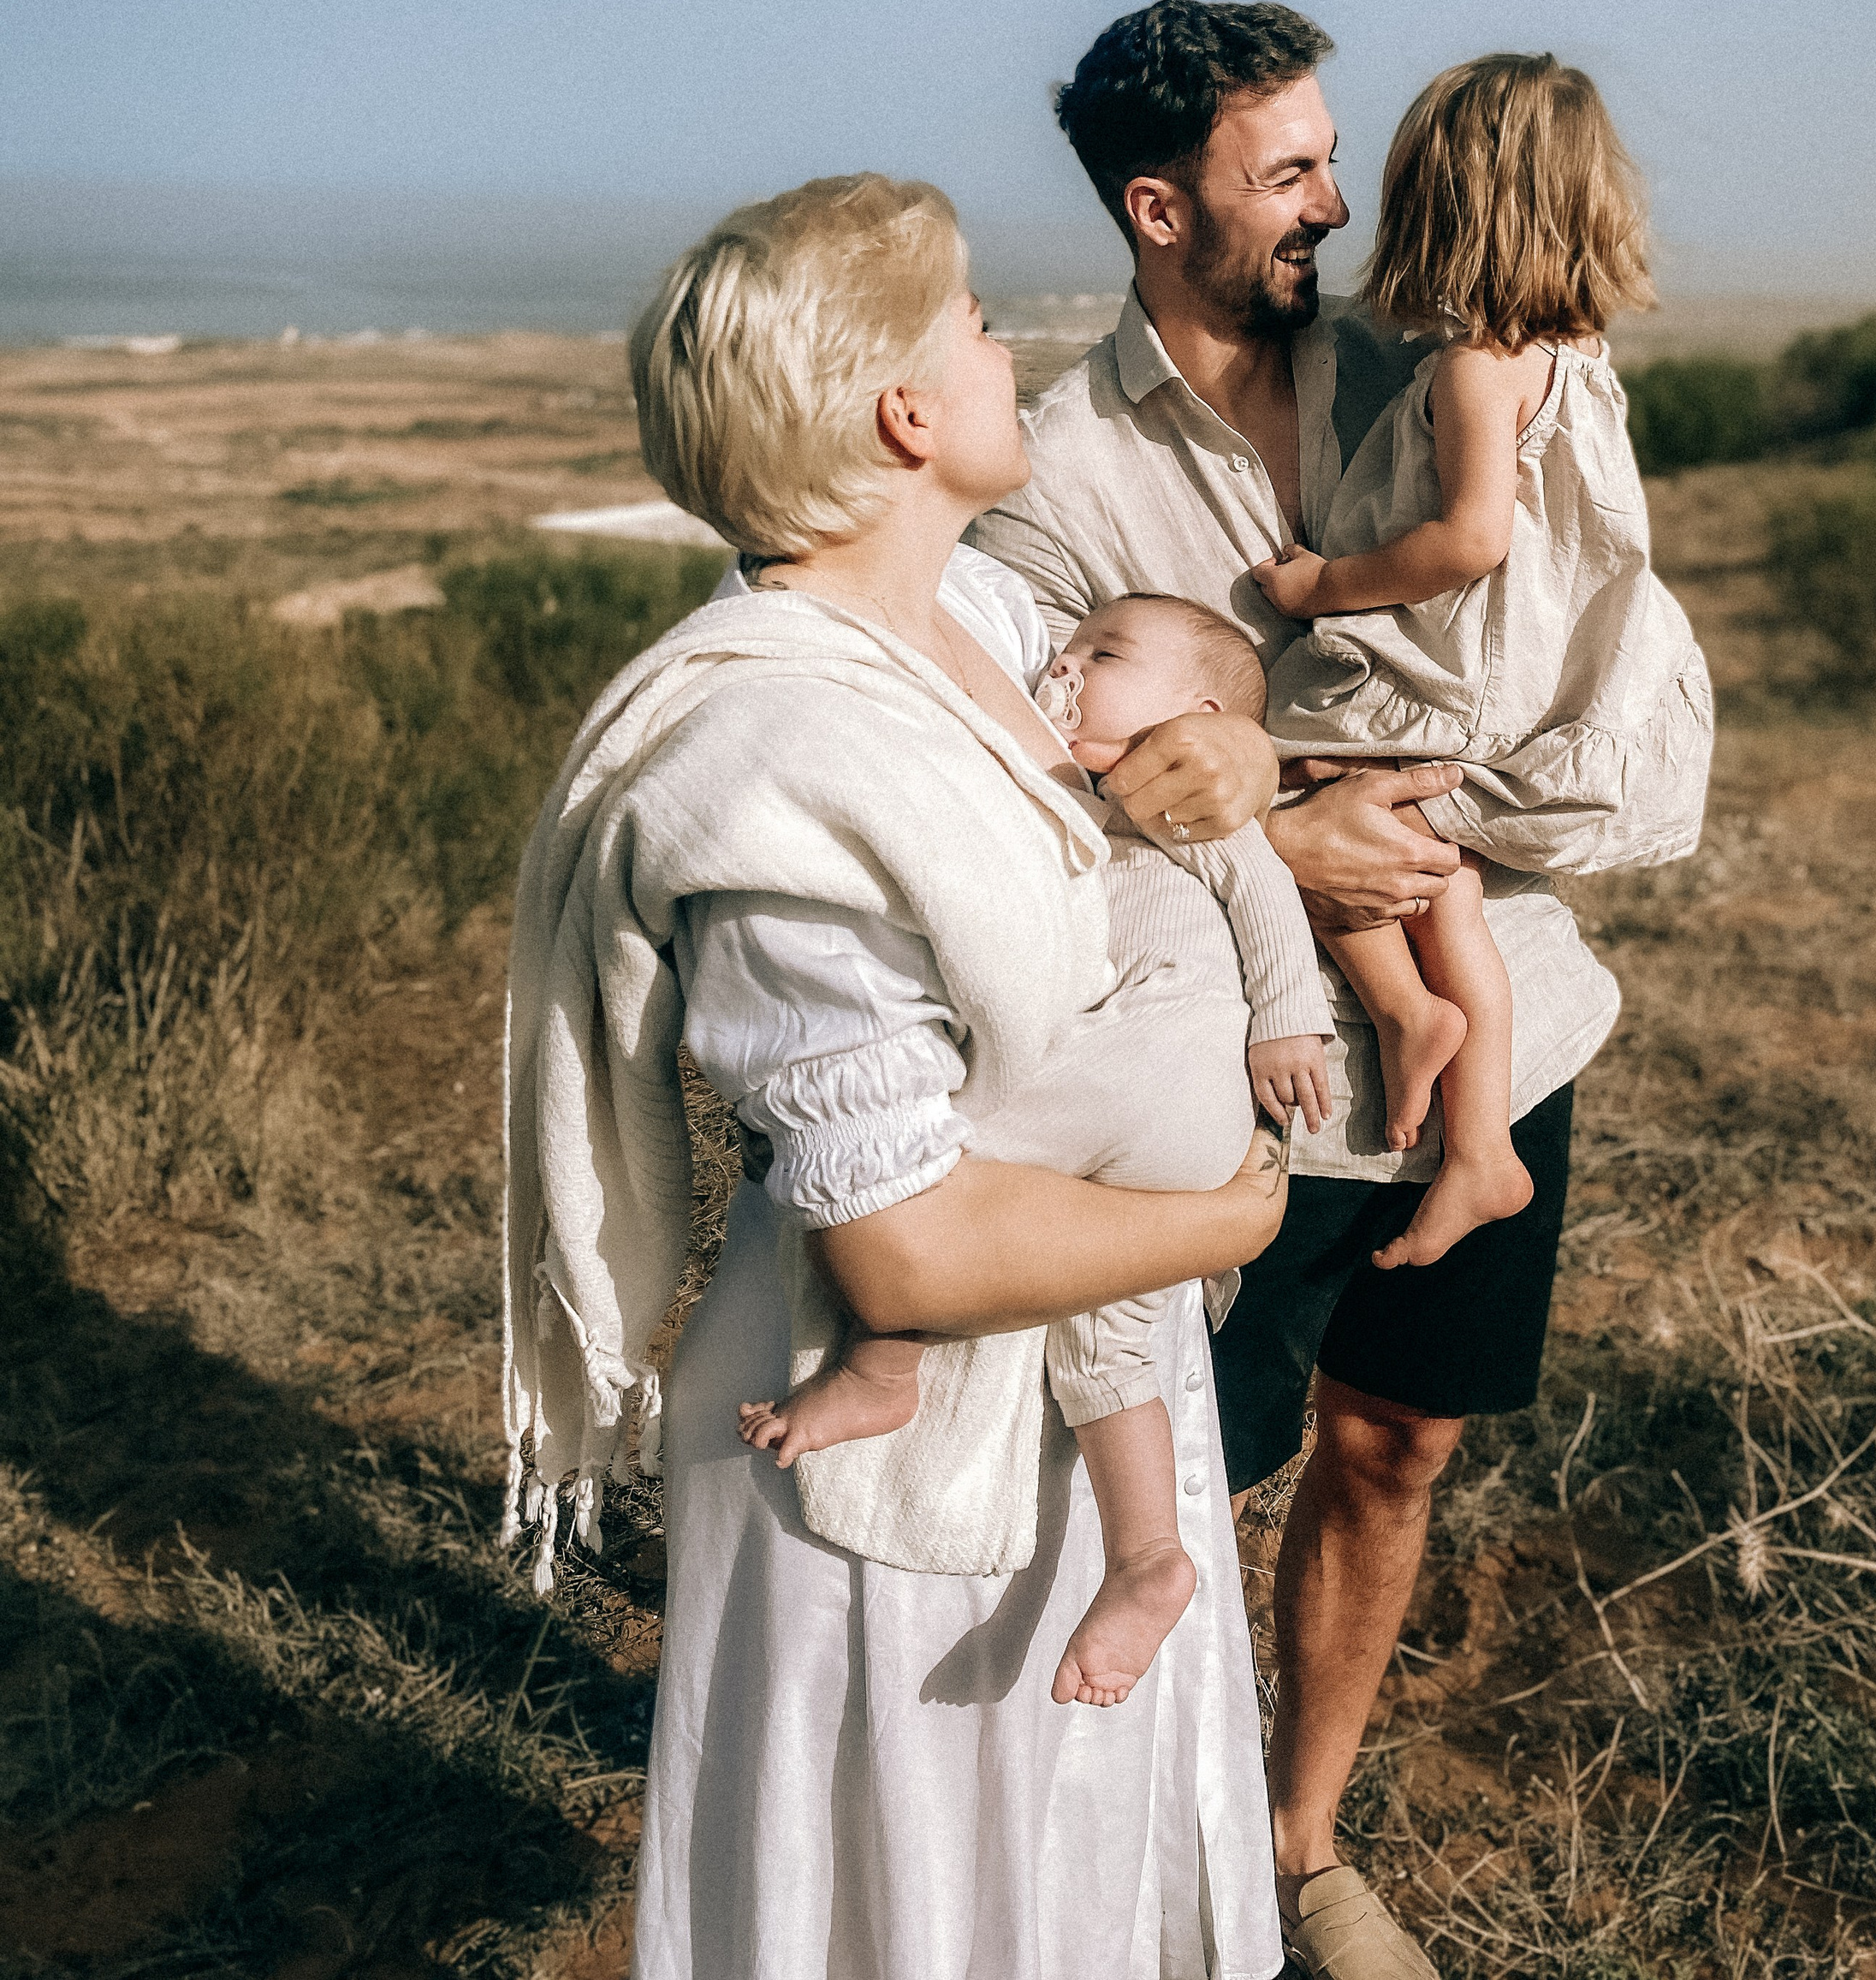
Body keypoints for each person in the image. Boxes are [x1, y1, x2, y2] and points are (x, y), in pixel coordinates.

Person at [503, 172, 1293, 1980]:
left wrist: (1225, 762)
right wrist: (1222, 1212)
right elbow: (906, 1256)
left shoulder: (992, 632)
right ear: (902, 415)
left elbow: (1160, 724)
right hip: (883, 1446)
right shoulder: (781, 758)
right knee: (925, 1906)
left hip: (1079, 1372)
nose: (1006, 341)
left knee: (1073, 1879)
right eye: (971, 322)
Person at [971, 0, 1657, 1980]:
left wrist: (1386, 791)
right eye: (1288, 175)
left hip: (1491, 1008)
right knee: (1165, 1460)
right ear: (1156, 205)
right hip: (1219, 1074)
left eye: (1332, 160)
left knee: (1396, 1446)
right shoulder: (1054, 466)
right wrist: (1279, 832)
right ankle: (1086, 1850)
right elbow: (1035, 782)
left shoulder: (1438, 356)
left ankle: (1293, 1846)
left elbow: (1570, 670)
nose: (1335, 206)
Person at [735, 587, 1336, 1712]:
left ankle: (882, 1366)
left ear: (1201, 715)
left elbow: (1261, 889)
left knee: (907, 1163)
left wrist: (1289, 1017)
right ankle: (1149, 1553)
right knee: (1105, 1346)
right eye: (1062, 650)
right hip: (1165, 1127)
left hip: (1156, 1058)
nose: (1067, 666)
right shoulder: (1063, 784)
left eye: (1102, 653)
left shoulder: (1173, 798)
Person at [1250, 54, 1709, 1272]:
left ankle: (1408, 1017)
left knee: (1300, 776)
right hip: (1522, 678)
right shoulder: (1581, 351)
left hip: (1453, 673)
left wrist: (1321, 586)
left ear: (1445, 206)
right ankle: (1479, 1144)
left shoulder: (1469, 365)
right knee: (1446, 879)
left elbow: (1469, 538)